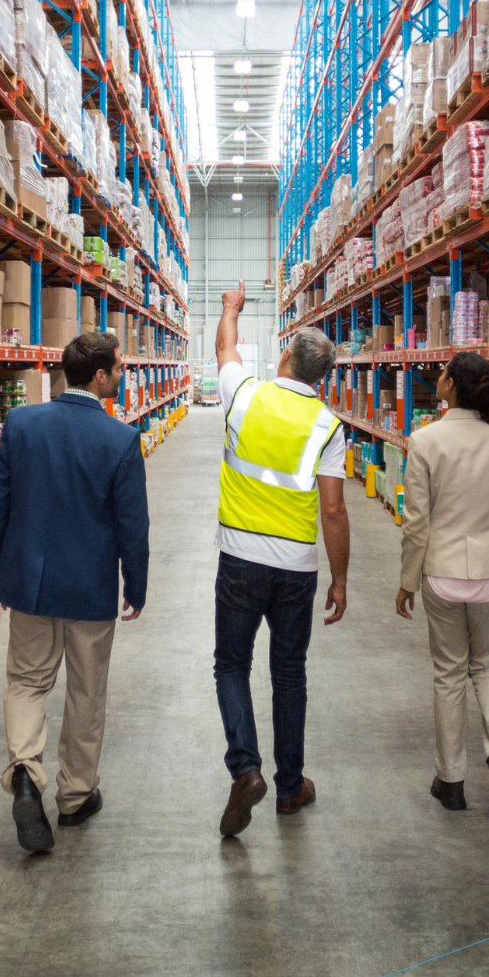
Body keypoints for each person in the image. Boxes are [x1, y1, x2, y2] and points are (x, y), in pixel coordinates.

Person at [0, 331, 150, 853]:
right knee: (86, 690)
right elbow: (132, 526)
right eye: (118, 367)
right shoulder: (119, 439)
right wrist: (135, 586)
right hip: (89, 589)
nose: (121, 374)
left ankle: (26, 773)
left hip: (29, 586)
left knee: (27, 682)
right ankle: (75, 797)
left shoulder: (22, 423)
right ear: (99, 376)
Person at [210, 281, 348, 837]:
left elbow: (225, 350)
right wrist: (340, 579)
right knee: (289, 672)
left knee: (231, 665)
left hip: (239, 559)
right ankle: (290, 788)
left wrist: (229, 310)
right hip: (297, 567)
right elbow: (334, 512)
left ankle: (246, 767)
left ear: (285, 357)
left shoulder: (245, 393)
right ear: (323, 378)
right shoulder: (329, 425)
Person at [396, 352, 489, 812]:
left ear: (451, 385)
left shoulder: (425, 440)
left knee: (449, 674)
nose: (437, 378)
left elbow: (417, 521)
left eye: (442, 374)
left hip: (442, 572)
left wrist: (407, 581)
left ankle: (451, 781)